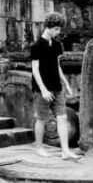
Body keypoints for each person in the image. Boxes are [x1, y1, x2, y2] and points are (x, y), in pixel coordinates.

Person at [31, 12, 81, 160]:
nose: (59, 32)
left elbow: (56, 65)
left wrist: (65, 83)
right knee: (41, 118)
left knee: (62, 117)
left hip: (57, 86)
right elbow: (35, 69)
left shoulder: (57, 45)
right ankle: (39, 147)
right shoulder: (36, 46)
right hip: (42, 89)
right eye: (57, 29)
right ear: (49, 28)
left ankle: (65, 151)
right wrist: (43, 90)